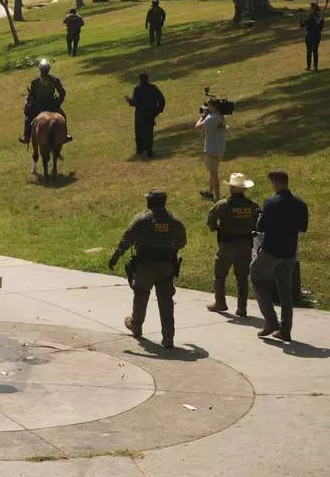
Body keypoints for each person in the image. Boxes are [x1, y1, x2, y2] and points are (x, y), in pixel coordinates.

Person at [108, 190, 187, 349]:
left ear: (150, 202)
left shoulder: (142, 219)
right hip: (166, 266)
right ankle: (168, 337)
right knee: (166, 300)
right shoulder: (174, 221)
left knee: (141, 295)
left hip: (145, 266)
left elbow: (127, 239)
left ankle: (136, 327)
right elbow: (182, 242)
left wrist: (115, 256)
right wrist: (169, 249)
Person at [253, 170, 309, 342]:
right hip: (290, 252)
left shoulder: (270, 203)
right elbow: (303, 228)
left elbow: (260, 227)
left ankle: (271, 321)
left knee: (256, 278)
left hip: (271, 251)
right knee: (285, 290)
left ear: (277, 183)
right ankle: (285, 329)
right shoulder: (300, 204)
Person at [206, 173, 259, 316]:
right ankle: (242, 308)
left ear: (231, 188)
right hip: (245, 245)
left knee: (220, 275)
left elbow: (211, 220)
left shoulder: (223, 204)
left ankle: (220, 302)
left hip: (227, 245)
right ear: (244, 189)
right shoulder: (252, 205)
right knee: (242, 278)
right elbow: (258, 222)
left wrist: (217, 229)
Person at [19, 59, 72, 145]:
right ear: (48, 69)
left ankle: (26, 137)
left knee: (28, 117)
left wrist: (32, 103)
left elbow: (32, 95)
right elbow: (62, 93)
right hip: (53, 105)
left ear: (40, 69)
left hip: (39, 106)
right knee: (63, 117)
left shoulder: (35, 81)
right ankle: (65, 136)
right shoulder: (54, 80)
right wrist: (58, 103)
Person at [126, 73, 165, 158]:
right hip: (151, 114)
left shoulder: (138, 89)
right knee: (149, 132)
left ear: (140, 79)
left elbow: (135, 102)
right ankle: (149, 150)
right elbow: (162, 99)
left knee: (140, 132)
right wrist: (159, 110)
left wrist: (129, 101)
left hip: (140, 115)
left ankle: (141, 149)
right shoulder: (153, 88)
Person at [195, 98, 227, 201]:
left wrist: (203, 116)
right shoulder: (220, 117)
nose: (207, 108)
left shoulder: (210, 119)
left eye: (208, 106)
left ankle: (217, 198)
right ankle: (209, 192)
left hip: (211, 150)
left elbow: (197, 127)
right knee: (213, 173)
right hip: (220, 149)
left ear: (213, 107)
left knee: (214, 175)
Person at [301, 2, 325, 71]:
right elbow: (321, 27)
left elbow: (302, 25)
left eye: (310, 8)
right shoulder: (321, 17)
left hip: (310, 35)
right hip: (317, 36)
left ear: (313, 9)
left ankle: (309, 67)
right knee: (315, 51)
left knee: (309, 51)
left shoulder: (310, 17)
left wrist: (301, 18)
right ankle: (315, 67)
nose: (309, 9)